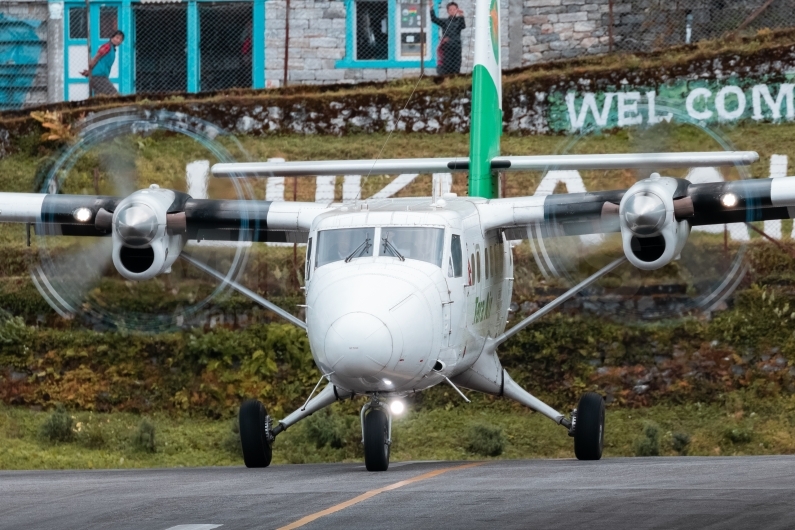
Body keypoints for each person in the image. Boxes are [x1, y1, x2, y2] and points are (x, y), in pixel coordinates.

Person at [81, 30, 124, 97]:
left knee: (100, 98)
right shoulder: (107, 46)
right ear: (112, 37)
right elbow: (96, 58)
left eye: (121, 39)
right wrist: (90, 70)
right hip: (98, 77)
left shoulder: (112, 49)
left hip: (101, 76)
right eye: (117, 37)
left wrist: (89, 72)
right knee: (115, 95)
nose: (118, 40)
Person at [430, 2, 466, 76]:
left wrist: (462, 15)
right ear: (448, 11)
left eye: (454, 9)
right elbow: (434, 19)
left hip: (456, 46)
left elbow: (463, 26)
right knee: (447, 64)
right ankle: (446, 79)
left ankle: (455, 78)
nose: (452, 11)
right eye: (450, 9)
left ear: (457, 10)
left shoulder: (459, 20)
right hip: (447, 47)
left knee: (456, 64)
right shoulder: (445, 21)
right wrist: (431, 8)